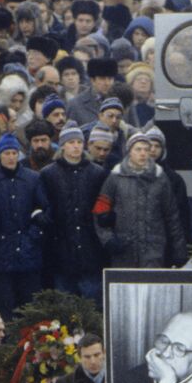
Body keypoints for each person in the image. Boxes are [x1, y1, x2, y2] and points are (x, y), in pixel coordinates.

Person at [94, 132, 188, 269]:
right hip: (123, 250)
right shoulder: (115, 177)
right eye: (138, 149)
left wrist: (179, 251)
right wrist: (108, 240)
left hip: (153, 251)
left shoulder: (160, 178)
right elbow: (100, 212)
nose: (143, 153)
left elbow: (172, 216)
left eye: (146, 149)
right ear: (129, 152)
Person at [0, 134, 51, 318]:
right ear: (0, 155)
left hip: (29, 249)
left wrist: (34, 235)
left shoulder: (33, 179)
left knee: (29, 304)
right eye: (7, 153)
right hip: (1, 252)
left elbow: (44, 209)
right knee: (5, 303)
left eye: (14, 152)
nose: (11, 157)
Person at [40, 123, 108, 302]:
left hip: (90, 250)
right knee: (65, 305)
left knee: (93, 303)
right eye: (71, 142)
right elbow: (45, 208)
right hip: (61, 251)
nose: (76, 146)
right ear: (62, 145)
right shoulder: (48, 174)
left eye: (79, 141)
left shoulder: (97, 173)